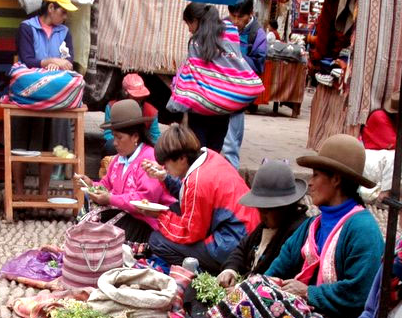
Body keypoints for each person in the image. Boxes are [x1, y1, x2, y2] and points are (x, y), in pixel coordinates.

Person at [265, 134, 384, 318]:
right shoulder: (313, 225)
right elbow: (281, 264)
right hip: (305, 316)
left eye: (316, 175)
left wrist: (309, 293)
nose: (309, 183)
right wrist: (259, 285)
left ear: (336, 179)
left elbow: (360, 292)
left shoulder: (363, 229)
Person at [141, 123, 259, 272]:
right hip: (245, 231)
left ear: (182, 158)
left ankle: (202, 271)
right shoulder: (209, 156)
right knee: (174, 209)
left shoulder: (198, 180)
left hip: (232, 243)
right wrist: (165, 177)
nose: (164, 167)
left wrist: (160, 216)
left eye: (166, 164)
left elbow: (191, 233)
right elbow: (190, 196)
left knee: (157, 241)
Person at [167, 3, 262, 153]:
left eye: (189, 23)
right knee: (213, 154)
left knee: (198, 155)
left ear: (196, 20)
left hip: (200, 111)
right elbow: (234, 64)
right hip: (223, 110)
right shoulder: (230, 32)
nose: (189, 29)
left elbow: (192, 76)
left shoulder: (196, 42)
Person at [74, 100, 174, 243]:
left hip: (145, 222)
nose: (114, 143)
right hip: (125, 214)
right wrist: (90, 184)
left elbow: (145, 200)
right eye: (114, 137)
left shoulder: (149, 160)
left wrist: (110, 199)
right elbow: (105, 185)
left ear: (135, 136)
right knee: (88, 211)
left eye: (119, 137)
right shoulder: (118, 160)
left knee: (101, 232)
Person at [13, 0, 76, 195]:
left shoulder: (65, 32)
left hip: (53, 94)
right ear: (50, 7)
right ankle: (20, 193)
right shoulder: (26, 28)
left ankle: (43, 194)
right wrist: (49, 61)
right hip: (29, 93)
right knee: (20, 144)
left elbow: (69, 62)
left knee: (48, 145)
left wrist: (56, 64)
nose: (65, 16)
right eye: (63, 11)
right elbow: (27, 59)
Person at [217, 160, 308, 288]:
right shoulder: (266, 226)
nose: (261, 216)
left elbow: (274, 277)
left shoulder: (297, 232)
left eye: (266, 211)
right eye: (259, 210)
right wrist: (230, 270)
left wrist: (242, 290)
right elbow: (242, 249)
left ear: (284, 207)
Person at [223, 0, 267, 170]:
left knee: (230, 147)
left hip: (238, 98)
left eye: (240, 17)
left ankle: (231, 181)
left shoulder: (257, 34)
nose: (235, 21)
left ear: (250, 14)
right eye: (232, 15)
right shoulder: (223, 26)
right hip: (218, 92)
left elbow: (259, 64)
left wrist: (237, 58)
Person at [102, 73, 160, 157]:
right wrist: (122, 142)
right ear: (124, 93)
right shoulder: (112, 107)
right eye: (135, 97)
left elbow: (155, 138)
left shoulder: (151, 112)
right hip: (121, 144)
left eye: (141, 97)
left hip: (141, 146)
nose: (139, 100)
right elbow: (108, 134)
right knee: (110, 146)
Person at [360, 91, 399, 203]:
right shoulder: (379, 117)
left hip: (382, 160)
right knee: (396, 157)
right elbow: (393, 144)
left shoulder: (394, 120)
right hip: (371, 158)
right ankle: (385, 193)